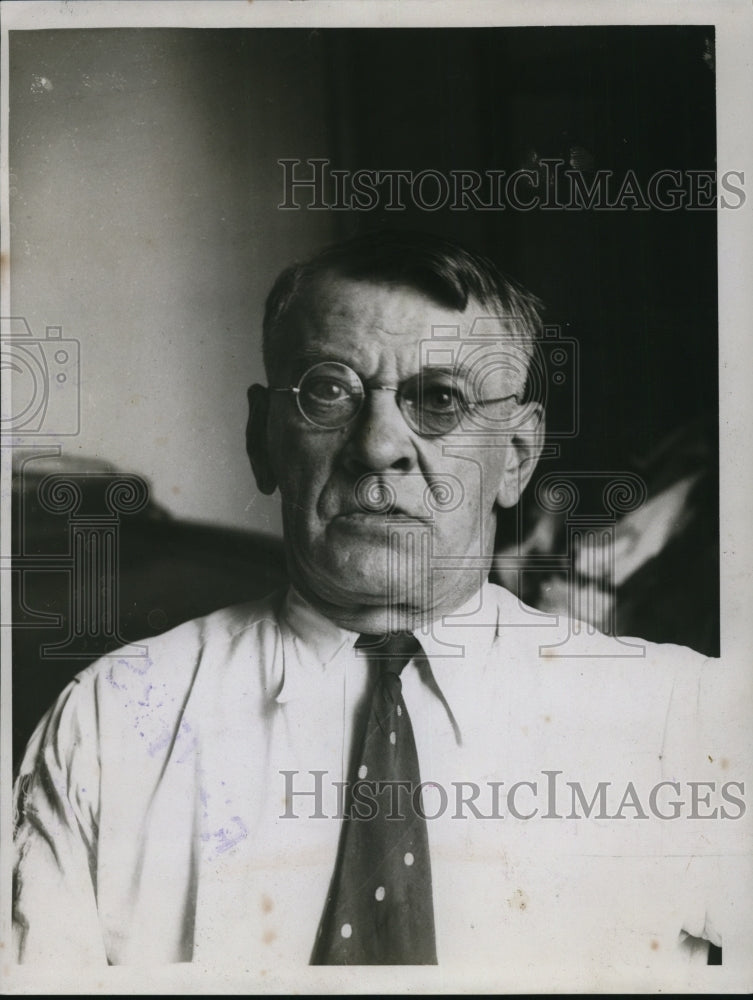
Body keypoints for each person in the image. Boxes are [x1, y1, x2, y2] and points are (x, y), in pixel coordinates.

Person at [12, 230, 742, 981]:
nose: (378, 446)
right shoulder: (111, 722)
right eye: (328, 391)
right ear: (263, 438)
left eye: (439, 400)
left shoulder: (678, 718)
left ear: (516, 458)